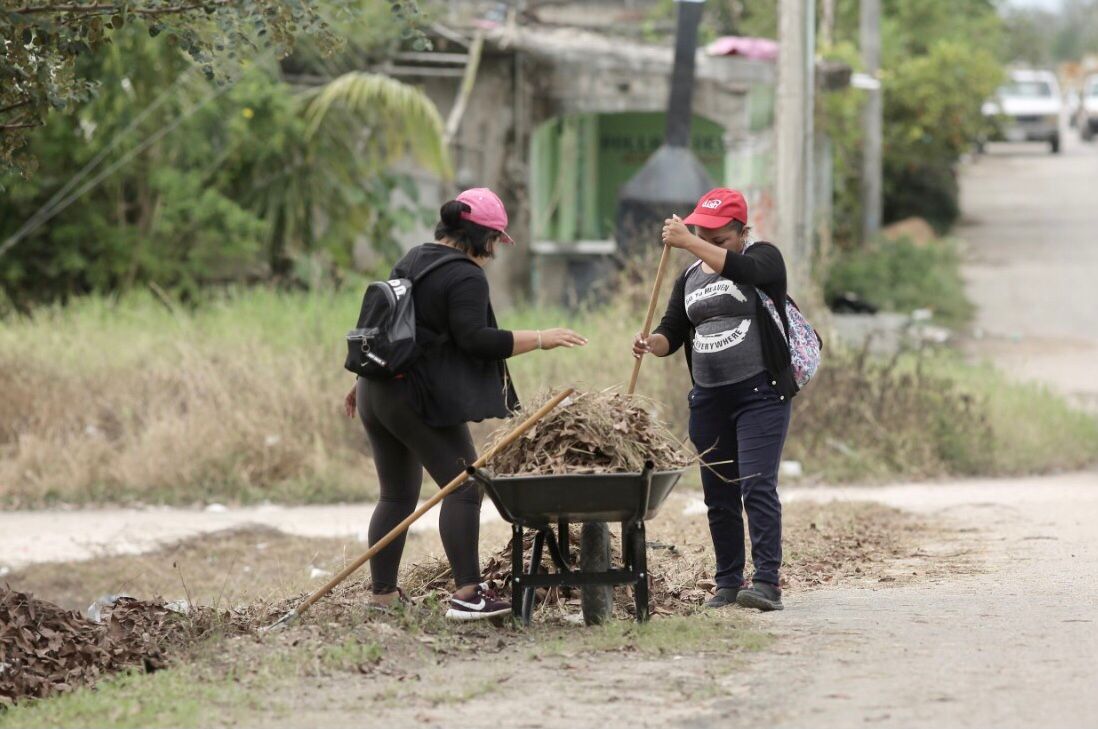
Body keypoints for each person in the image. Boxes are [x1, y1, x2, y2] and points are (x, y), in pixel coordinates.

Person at [344, 188, 587, 620]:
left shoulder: (414, 258)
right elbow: (475, 340)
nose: (493, 252)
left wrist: (361, 382)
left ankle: (383, 595)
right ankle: (468, 594)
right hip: (412, 395)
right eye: (493, 241)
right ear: (478, 235)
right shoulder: (466, 275)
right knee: (466, 485)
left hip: (373, 389)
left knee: (397, 495)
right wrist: (540, 338)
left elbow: (388, 325)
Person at [631, 188, 795, 612]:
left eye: (719, 239)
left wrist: (689, 240)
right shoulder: (689, 277)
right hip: (708, 400)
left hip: (760, 394)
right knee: (718, 494)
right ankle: (727, 582)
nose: (708, 246)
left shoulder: (764, 260)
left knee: (757, 486)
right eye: (703, 235)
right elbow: (673, 331)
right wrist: (652, 343)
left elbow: (741, 268)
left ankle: (766, 582)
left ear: (742, 233)